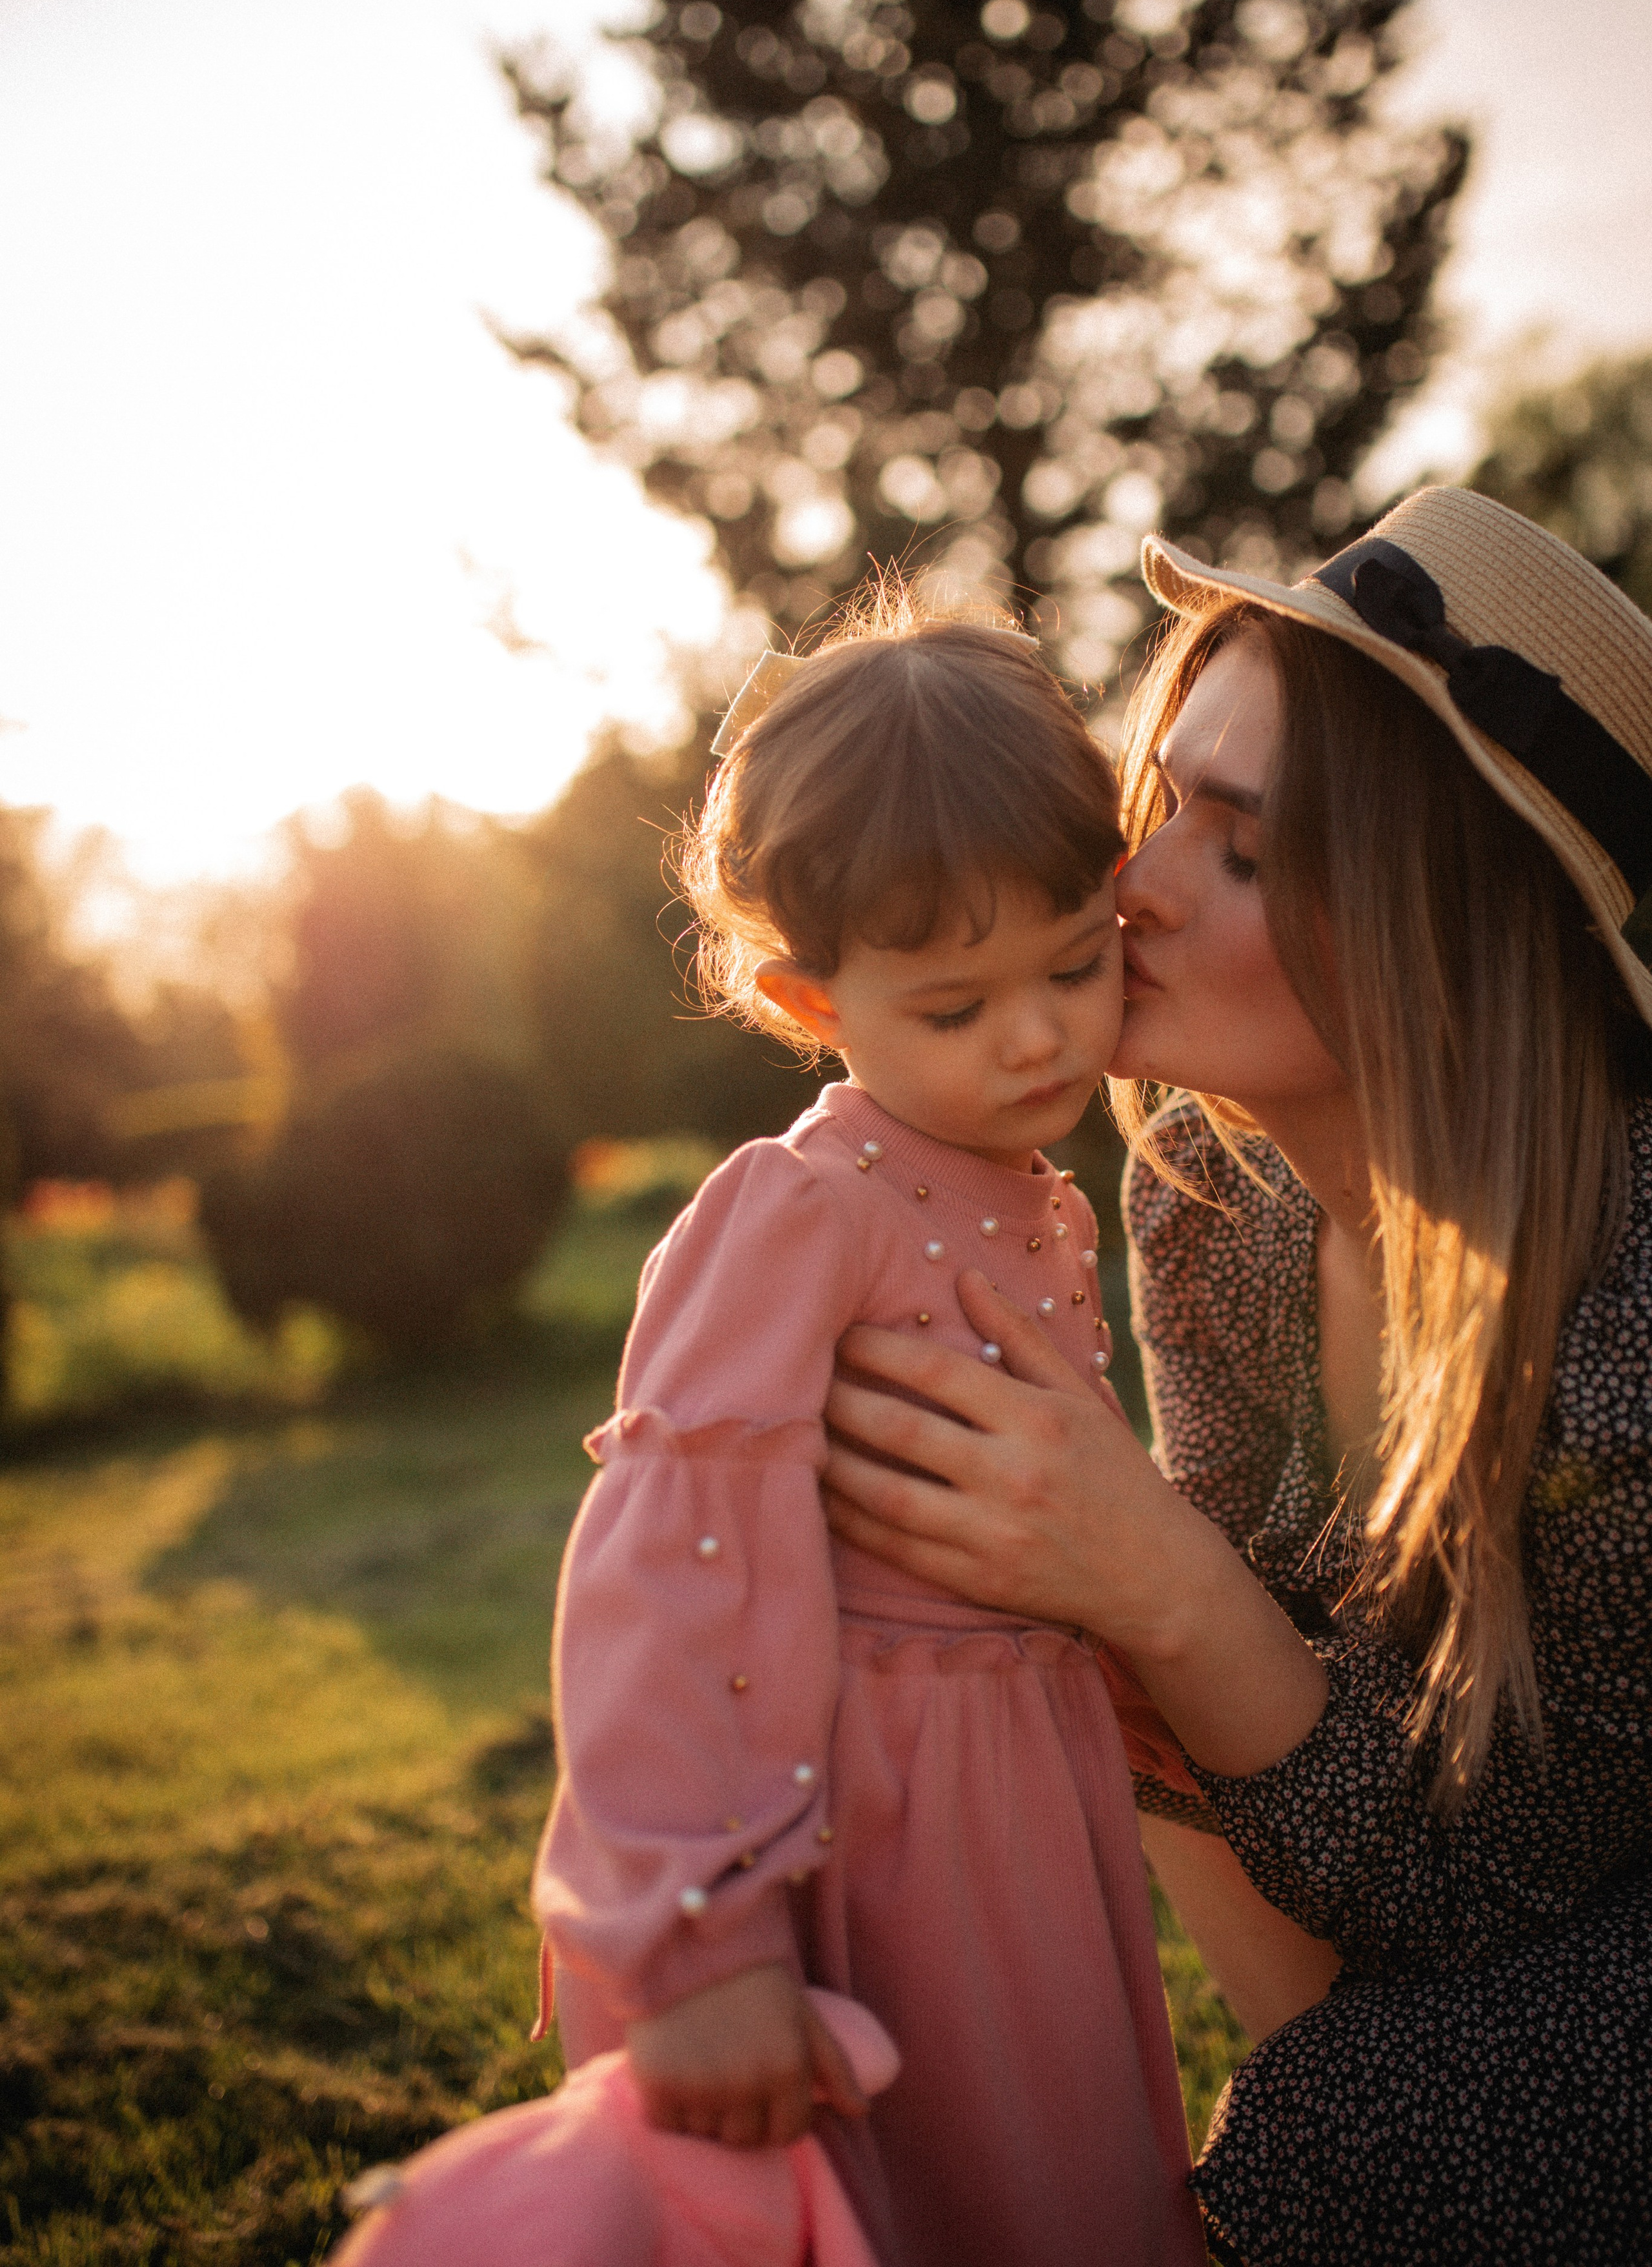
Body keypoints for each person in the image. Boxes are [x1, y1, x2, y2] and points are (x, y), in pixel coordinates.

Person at [821, 487, 1652, 2266]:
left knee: (1351, 2129)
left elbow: (1497, 1888)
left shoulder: (1620, 1325)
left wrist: (1163, 1582)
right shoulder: (1210, 1190)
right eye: (1168, 801)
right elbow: (1249, 1764)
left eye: (1250, 855)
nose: (1137, 884)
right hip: (1426, 1915)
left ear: (1455, 932)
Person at [532, 598, 1209, 2267]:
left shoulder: (1042, 1196)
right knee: (949, 2191)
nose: (1040, 1036)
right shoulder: (800, 1213)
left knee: (1074, 2169)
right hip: (882, 1819)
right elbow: (671, 1565)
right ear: (812, 1000)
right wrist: (702, 1940)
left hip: (1030, 1784)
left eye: (1077, 963)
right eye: (957, 1007)